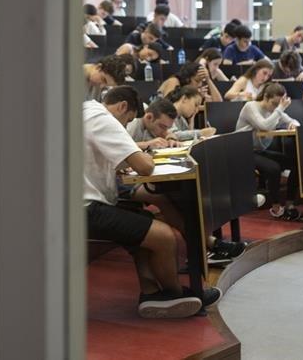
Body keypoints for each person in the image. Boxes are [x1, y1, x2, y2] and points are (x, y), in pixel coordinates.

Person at [83, 86, 213, 318]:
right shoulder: (102, 119)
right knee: (163, 236)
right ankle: (178, 295)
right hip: (85, 208)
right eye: (127, 121)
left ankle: (151, 293)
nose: (125, 127)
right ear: (122, 107)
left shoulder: (86, 111)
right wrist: (140, 153)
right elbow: (145, 166)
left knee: (142, 224)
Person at [236, 83, 303, 220]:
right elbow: (264, 125)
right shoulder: (251, 107)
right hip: (243, 151)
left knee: (296, 162)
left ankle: (290, 204)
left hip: (259, 151)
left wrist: (293, 124)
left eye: (279, 104)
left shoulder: (276, 110)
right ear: (265, 97)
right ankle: (276, 207)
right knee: (274, 168)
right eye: (274, 103)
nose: (276, 107)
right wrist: (280, 109)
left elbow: (294, 122)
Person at [157, 62, 223, 103]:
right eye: (197, 81)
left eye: (201, 81)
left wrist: (208, 79)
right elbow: (171, 104)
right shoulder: (174, 81)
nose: (199, 85)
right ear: (187, 78)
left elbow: (218, 103)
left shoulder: (193, 90)